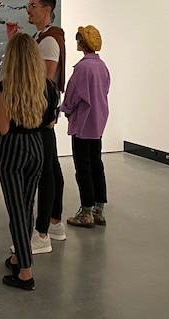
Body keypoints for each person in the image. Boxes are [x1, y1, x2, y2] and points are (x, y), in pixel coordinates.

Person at [0, 33, 60, 291]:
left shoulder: (4, 89)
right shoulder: (47, 87)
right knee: (26, 204)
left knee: (16, 211)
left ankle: (25, 271)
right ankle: (18, 256)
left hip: (12, 150)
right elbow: (50, 122)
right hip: (37, 146)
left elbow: (2, 128)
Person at [6, 0, 66, 253]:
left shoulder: (50, 41)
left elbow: (45, 81)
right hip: (41, 114)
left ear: (46, 9)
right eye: (28, 4)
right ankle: (53, 223)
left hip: (40, 115)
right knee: (50, 168)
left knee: (47, 173)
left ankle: (42, 234)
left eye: (32, 5)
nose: (28, 9)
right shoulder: (40, 38)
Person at [60, 26, 111, 228]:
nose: (76, 42)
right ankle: (99, 209)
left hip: (83, 122)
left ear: (83, 43)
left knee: (83, 167)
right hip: (98, 122)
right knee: (96, 163)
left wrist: (65, 109)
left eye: (78, 39)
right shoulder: (102, 66)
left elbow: (72, 95)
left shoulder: (82, 68)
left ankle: (86, 211)